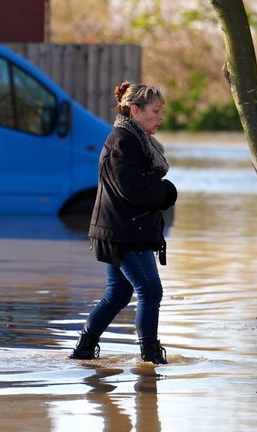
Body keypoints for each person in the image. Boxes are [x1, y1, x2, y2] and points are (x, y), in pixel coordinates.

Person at [70, 81, 177, 364]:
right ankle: (151, 359)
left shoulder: (131, 140)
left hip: (120, 229)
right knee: (151, 291)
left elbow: (133, 186)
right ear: (135, 111)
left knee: (118, 293)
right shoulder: (123, 141)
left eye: (160, 111)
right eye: (155, 111)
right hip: (125, 232)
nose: (160, 117)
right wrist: (168, 192)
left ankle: (83, 350)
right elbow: (133, 188)